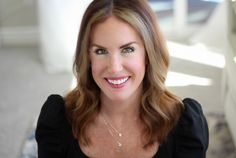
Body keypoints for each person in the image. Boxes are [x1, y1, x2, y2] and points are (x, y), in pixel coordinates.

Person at [35, 0, 209, 157]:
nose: (114, 67)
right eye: (101, 51)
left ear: (148, 54)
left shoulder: (184, 126)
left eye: (127, 49)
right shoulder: (58, 121)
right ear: (87, 57)